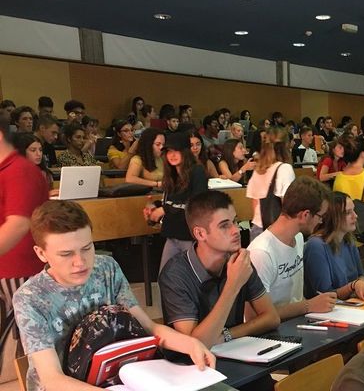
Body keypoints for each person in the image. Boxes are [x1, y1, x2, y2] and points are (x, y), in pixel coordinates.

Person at [13, 200, 215, 391]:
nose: (80, 262)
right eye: (66, 254)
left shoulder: (106, 268)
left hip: (114, 377)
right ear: (41, 253)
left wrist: (190, 344)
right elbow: (52, 379)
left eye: (87, 248)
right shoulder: (30, 297)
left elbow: (148, 326)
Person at [159, 191, 279, 349]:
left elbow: (271, 318)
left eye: (235, 221)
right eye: (224, 226)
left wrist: (227, 335)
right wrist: (233, 284)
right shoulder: (175, 274)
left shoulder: (238, 261)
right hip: (193, 368)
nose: (236, 230)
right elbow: (196, 344)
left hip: (234, 354)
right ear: (200, 233)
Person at [0, 117, 48, 382]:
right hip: (6, 266)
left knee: (30, 338)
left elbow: (18, 225)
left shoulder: (20, 170)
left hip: (20, 267)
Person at [248, 177, 337, 321]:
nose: (321, 221)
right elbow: (254, 317)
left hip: (297, 321)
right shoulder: (261, 252)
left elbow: (295, 298)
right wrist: (308, 305)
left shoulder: (298, 238)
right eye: (321, 216)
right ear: (305, 215)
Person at [144, 132, 208, 270]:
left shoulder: (197, 171)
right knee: (165, 278)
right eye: (169, 152)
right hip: (173, 235)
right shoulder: (171, 175)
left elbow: (196, 205)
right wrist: (155, 208)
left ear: (185, 152)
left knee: (191, 280)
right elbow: (170, 202)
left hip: (190, 236)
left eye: (176, 151)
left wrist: (164, 210)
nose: (172, 155)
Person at [304, 192, 364, 300]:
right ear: (333, 217)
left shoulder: (349, 241)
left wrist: (360, 285)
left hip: (351, 305)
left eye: (354, 210)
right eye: (348, 212)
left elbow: (362, 276)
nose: (355, 216)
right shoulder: (316, 246)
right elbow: (325, 295)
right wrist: (353, 286)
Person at [246, 126, 295, 241]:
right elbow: (288, 206)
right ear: (286, 146)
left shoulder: (258, 170)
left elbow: (255, 205)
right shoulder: (284, 169)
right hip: (277, 230)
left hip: (257, 229)